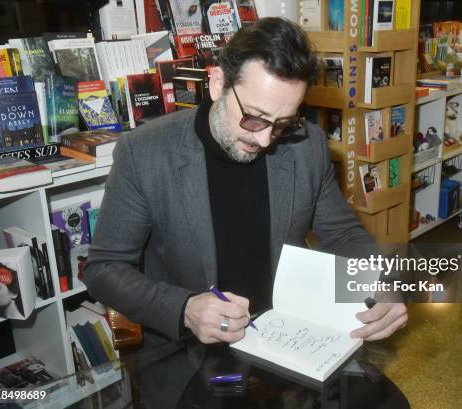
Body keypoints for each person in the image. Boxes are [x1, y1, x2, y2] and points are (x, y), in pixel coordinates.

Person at [83, 17, 407, 348]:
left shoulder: (307, 146)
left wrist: (379, 280)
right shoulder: (145, 153)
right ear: (217, 83)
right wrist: (184, 309)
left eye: (282, 123)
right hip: (188, 349)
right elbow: (103, 269)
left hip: (285, 339)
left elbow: (342, 235)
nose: (266, 139)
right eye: (254, 117)